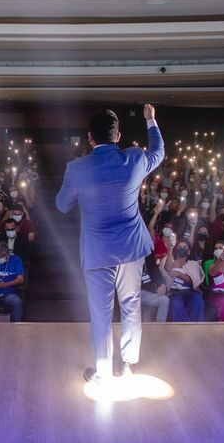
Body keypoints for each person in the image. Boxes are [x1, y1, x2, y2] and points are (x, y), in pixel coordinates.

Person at [56, 104, 165, 382]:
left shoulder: (77, 169)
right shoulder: (135, 158)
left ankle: (103, 371)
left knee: (101, 313)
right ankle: (128, 364)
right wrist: (150, 121)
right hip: (131, 248)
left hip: (97, 252)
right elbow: (158, 152)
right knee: (131, 304)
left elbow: (61, 205)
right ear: (118, 136)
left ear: (90, 137)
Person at [159, 239, 205, 322]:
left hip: (189, 291)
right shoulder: (169, 260)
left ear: (189, 252)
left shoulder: (193, 264)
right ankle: (183, 328)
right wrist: (170, 250)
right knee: (175, 303)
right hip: (174, 292)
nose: (181, 248)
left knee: (197, 301)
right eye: (179, 247)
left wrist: (180, 274)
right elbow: (167, 268)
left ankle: (196, 328)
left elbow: (193, 281)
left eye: (184, 247)